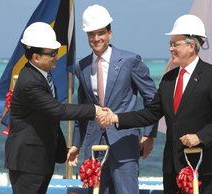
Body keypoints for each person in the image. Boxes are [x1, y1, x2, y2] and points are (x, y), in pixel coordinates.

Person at [98, 14, 212, 194]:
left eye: (175, 44)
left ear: (191, 46)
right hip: (171, 167)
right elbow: (151, 113)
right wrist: (116, 117)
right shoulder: (168, 79)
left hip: (198, 165)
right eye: (170, 44)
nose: (171, 49)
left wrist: (200, 137)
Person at [66, 4, 157, 194]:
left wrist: (149, 134)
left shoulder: (130, 61)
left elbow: (152, 98)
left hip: (124, 142)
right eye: (91, 34)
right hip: (93, 145)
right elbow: (82, 109)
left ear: (110, 34)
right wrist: (76, 143)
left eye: (101, 33)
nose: (96, 38)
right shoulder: (80, 67)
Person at [5, 22, 103, 194]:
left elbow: (48, 118)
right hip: (28, 162)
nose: (56, 57)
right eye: (51, 54)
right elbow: (58, 110)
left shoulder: (43, 75)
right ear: (36, 57)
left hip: (41, 160)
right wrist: (94, 110)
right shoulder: (30, 82)